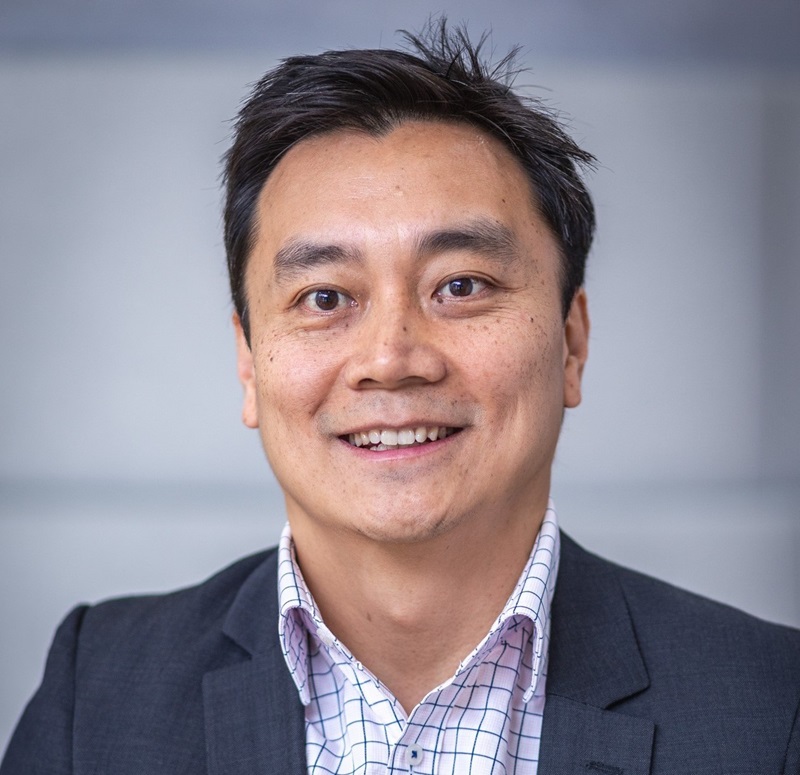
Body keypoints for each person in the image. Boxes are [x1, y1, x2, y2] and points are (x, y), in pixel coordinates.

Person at [2, 21, 799, 775]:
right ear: (249, 361)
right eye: (323, 297)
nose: (390, 359)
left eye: (460, 285)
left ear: (572, 340)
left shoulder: (770, 707)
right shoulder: (97, 692)